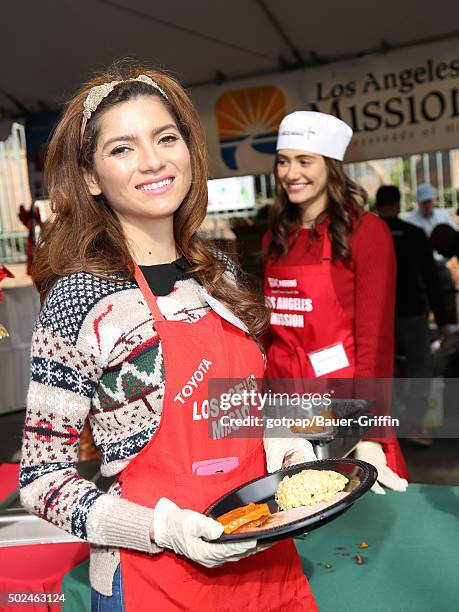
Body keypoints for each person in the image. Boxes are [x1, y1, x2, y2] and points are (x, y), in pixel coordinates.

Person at [19, 64, 318, 611]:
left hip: (264, 560)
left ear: (188, 150)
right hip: (155, 579)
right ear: (90, 178)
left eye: (165, 138)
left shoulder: (218, 275)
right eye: (122, 149)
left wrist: (275, 441)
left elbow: (231, 405)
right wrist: (160, 528)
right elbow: (42, 481)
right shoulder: (78, 302)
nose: (153, 161)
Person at [262, 111, 409, 494]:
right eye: (283, 161)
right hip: (286, 412)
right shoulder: (276, 238)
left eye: (304, 161)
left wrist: (373, 434)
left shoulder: (366, 233)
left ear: (330, 167)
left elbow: (374, 345)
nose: (291, 172)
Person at [375, 185, 451, 445]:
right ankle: (415, 424)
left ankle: (389, 425)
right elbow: (432, 280)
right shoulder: (414, 233)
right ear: (398, 205)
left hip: (378, 317)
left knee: (385, 371)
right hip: (413, 312)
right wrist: (442, 320)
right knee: (420, 368)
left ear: (377, 206)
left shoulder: (366, 235)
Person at [407, 183, 458, 324]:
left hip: (444, 265)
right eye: (424, 202)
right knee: (426, 302)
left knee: (449, 301)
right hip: (422, 269)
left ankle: (451, 324)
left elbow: (453, 239)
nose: (427, 205)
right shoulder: (411, 221)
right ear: (418, 202)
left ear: (434, 200)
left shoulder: (443, 215)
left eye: (429, 201)